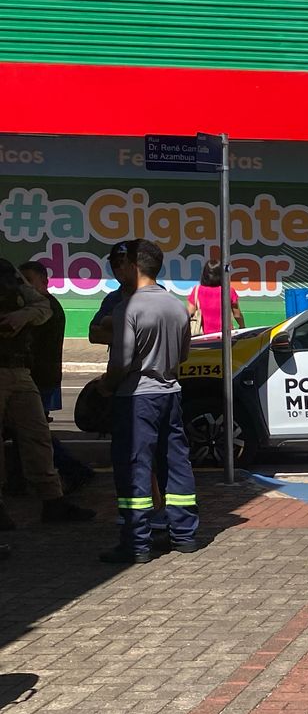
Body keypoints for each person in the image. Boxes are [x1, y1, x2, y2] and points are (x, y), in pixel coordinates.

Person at [99, 240, 198, 564]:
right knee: (176, 463)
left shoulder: (128, 308)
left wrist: (106, 387)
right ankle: (184, 535)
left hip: (136, 397)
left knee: (134, 467)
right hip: (171, 393)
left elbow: (122, 362)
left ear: (134, 267)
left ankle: (136, 543)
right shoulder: (177, 306)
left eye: (122, 264)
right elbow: (183, 355)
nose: (119, 270)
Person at [0, 258, 95, 531]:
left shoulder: (7, 270)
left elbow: (43, 307)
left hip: (18, 367)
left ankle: (53, 499)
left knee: (37, 434)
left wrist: (20, 317)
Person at [17, 261, 93, 494]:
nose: (25, 287)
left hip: (39, 378)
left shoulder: (45, 309)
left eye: (30, 281)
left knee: (34, 433)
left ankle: (72, 470)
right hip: (40, 377)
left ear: (44, 282)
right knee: (31, 432)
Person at [186, 260, 243, 336]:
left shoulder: (197, 290)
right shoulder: (229, 291)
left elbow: (189, 313)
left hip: (203, 336)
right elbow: (237, 314)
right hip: (225, 336)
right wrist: (242, 326)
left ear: (204, 274)